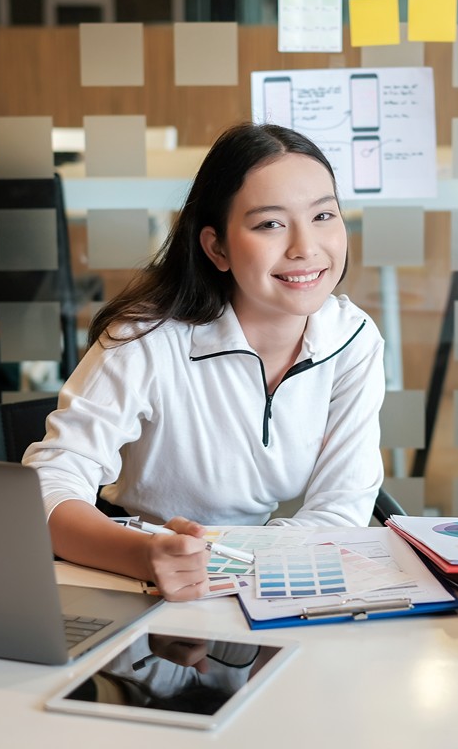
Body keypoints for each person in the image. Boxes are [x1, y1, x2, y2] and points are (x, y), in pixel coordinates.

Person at [23, 122, 385, 601]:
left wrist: (235, 560)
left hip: (259, 585)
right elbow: (49, 483)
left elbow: (340, 510)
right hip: (131, 585)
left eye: (324, 216)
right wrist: (141, 554)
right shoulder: (146, 337)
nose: (305, 248)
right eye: (270, 224)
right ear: (217, 247)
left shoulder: (352, 340)